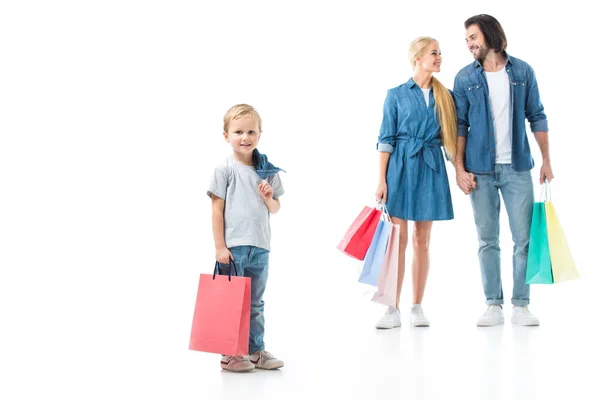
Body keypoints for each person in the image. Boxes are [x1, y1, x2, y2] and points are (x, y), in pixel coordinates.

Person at [453, 14, 553, 327]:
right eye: (467, 39)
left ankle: (521, 304)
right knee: (487, 239)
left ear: (489, 34)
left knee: (523, 239)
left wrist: (547, 160)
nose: (469, 43)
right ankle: (493, 304)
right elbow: (459, 126)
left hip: (517, 167)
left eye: (473, 36)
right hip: (479, 170)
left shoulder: (522, 71)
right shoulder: (464, 78)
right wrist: (458, 167)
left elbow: (537, 116)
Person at [375, 37, 457, 329]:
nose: (439, 58)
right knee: (398, 240)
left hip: (431, 168)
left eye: (440, 54)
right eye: (434, 53)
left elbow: (452, 140)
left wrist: (460, 170)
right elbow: (386, 140)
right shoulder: (396, 94)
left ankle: (417, 306)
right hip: (400, 167)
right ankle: (391, 308)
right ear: (418, 58)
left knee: (423, 240)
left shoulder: (446, 96)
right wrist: (381, 179)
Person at [208, 104, 285, 371]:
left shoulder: (267, 170)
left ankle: (254, 350)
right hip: (234, 247)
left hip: (261, 246)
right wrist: (220, 246)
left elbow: (275, 208)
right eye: (238, 131)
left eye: (251, 131)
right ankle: (230, 354)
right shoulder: (225, 169)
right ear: (226, 135)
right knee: (231, 302)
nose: (245, 137)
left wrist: (268, 198)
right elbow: (217, 210)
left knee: (255, 303)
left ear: (260, 134)